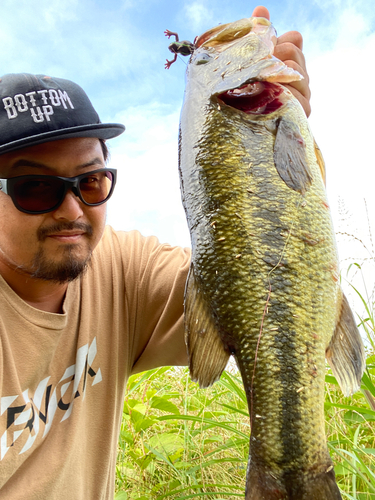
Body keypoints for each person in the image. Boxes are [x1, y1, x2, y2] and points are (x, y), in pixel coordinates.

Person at [0, 6, 311, 499]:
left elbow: (254, 278)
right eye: (34, 186)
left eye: (91, 182)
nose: (71, 209)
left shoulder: (118, 268)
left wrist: (285, 149)